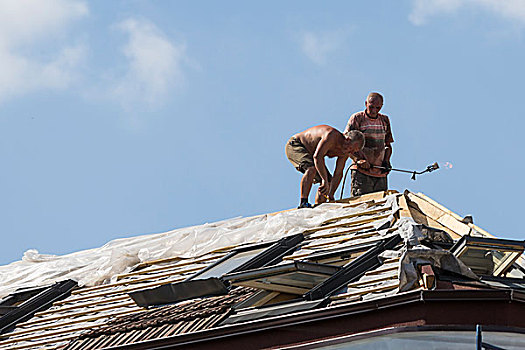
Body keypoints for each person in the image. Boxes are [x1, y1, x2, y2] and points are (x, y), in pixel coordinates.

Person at [286, 125, 365, 208]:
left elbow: (338, 173)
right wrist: (324, 179)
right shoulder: (331, 136)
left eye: (353, 151)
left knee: (329, 182)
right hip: (297, 145)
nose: (350, 152)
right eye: (351, 148)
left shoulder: (345, 152)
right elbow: (317, 157)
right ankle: (303, 202)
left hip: (312, 155)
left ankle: (319, 206)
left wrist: (331, 194)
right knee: (311, 169)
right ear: (347, 140)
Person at [344, 92, 394, 197]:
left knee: (380, 206)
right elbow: (346, 144)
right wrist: (358, 160)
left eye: (377, 107)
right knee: (361, 204)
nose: (374, 110)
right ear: (366, 103)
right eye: (371, 107)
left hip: (380, 173)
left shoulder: (384, 120)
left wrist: (386, 161)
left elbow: (388, 145)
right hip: (362, 172)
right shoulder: (357, 118)